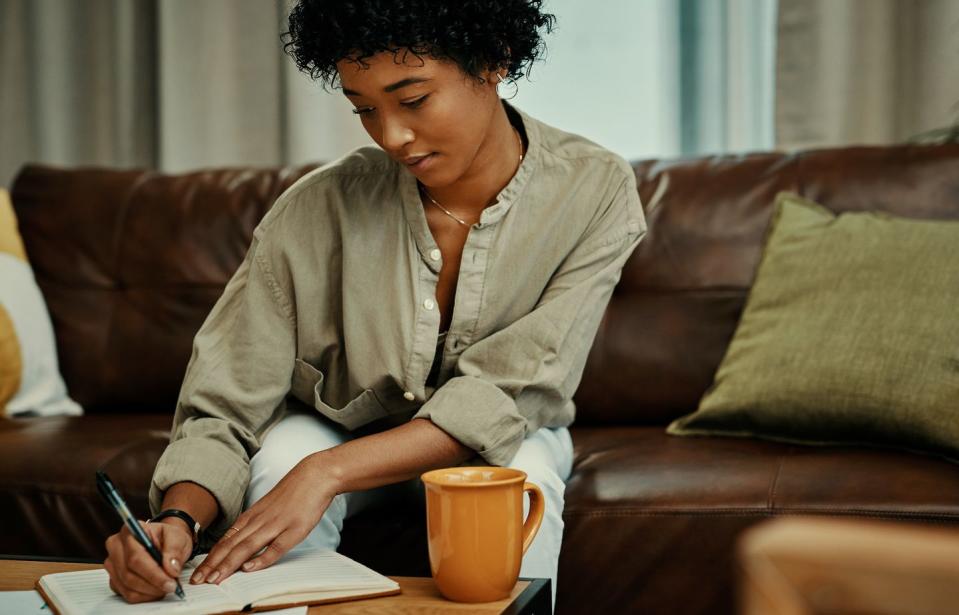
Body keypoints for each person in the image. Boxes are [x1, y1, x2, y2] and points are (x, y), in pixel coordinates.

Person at [102, 0, 646, 611]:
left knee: (518, 489)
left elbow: (509, 393)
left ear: (493, 62)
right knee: (281, 461)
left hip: (508, 434)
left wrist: (326, 471)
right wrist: (177, 521)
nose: (392, 136)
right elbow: (225, 399)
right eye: (364, 109)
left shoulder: (594, 189)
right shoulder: (315, 208)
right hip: (338, 425)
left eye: (412, 100)